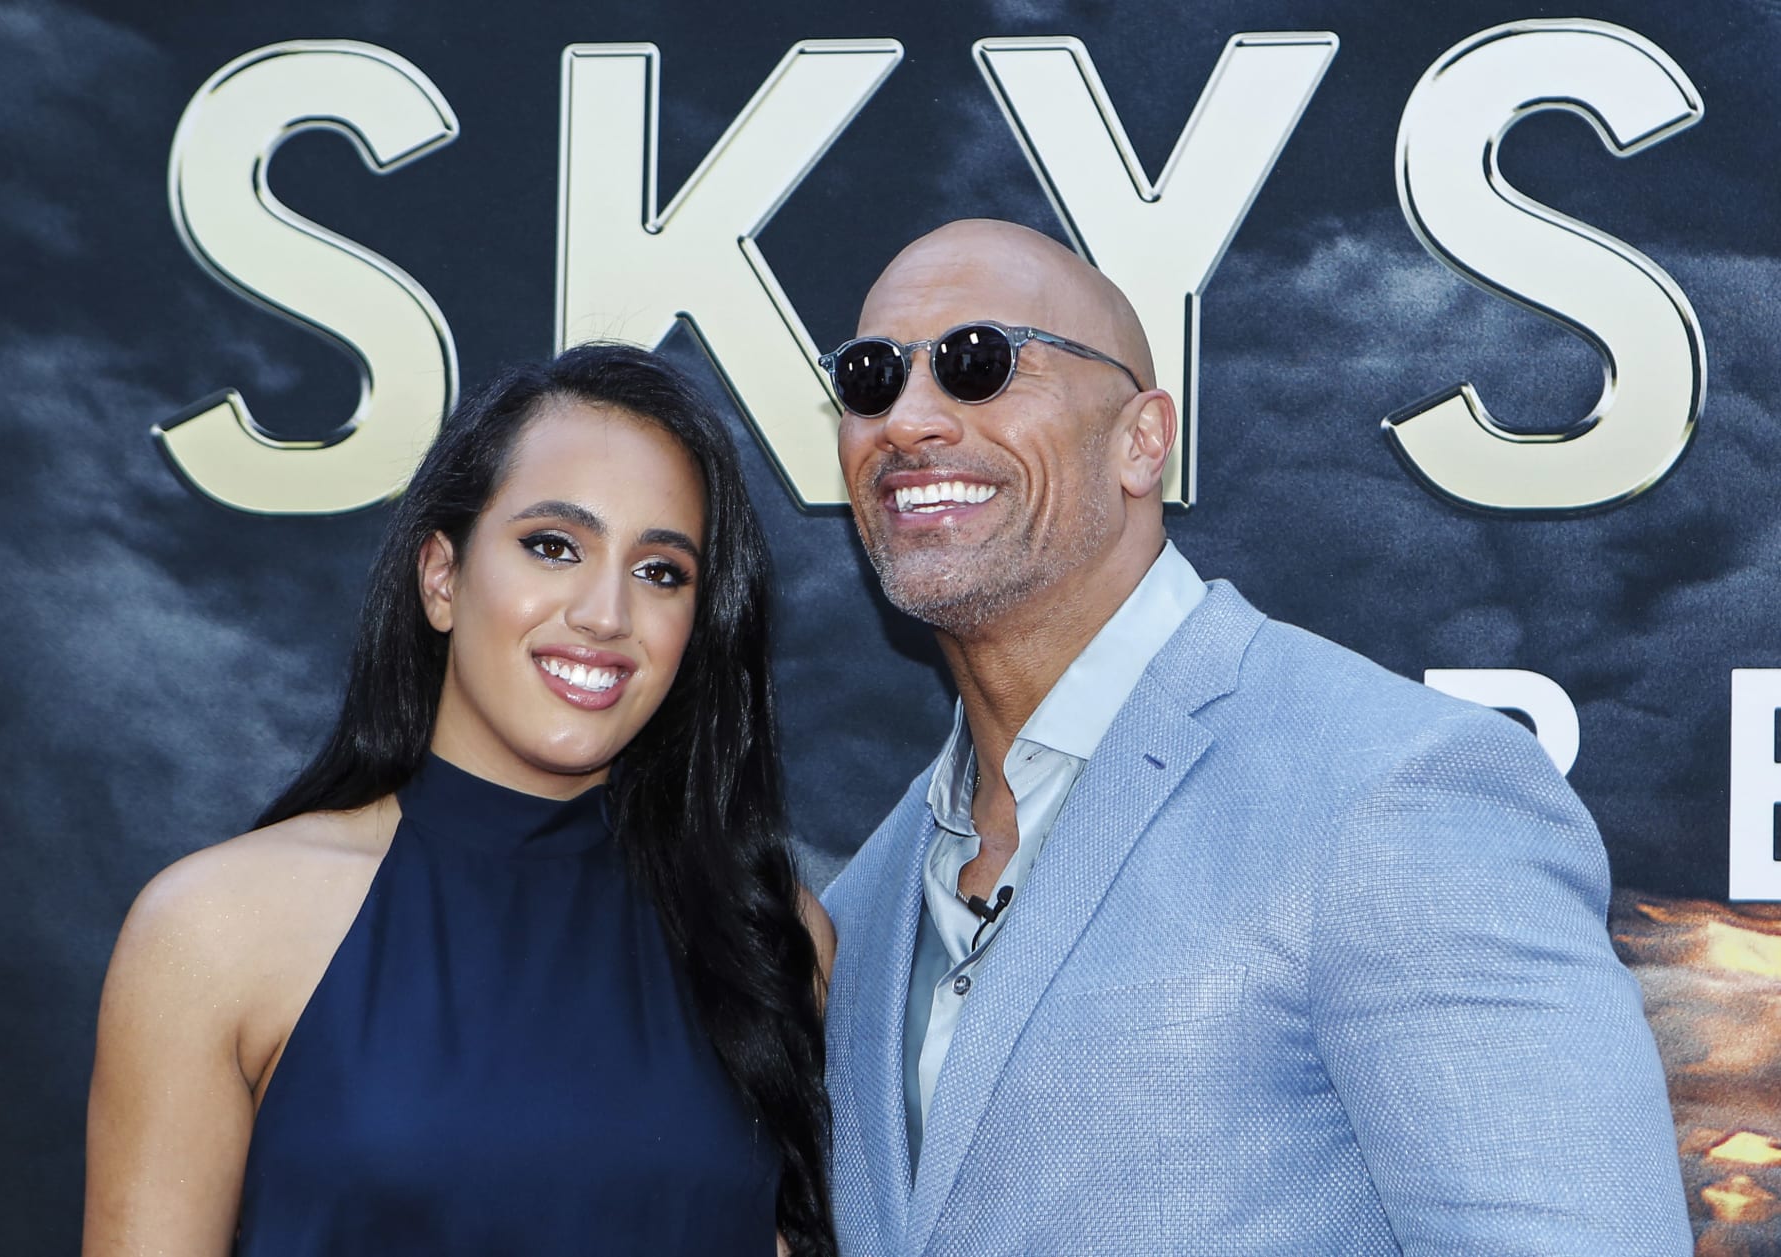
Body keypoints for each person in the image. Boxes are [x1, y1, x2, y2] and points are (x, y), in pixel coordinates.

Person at [817, 219, 1691, 1254]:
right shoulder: (863, 899)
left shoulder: (1396, 791)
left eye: (980, 363)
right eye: (870, 379)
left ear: (1143, 439)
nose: (910, 419)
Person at [83, 344, 838, 1256]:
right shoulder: (217, 928)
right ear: (442, 576)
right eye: (553, 546)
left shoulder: (767, 940)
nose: (606, 612)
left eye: (660, 570)